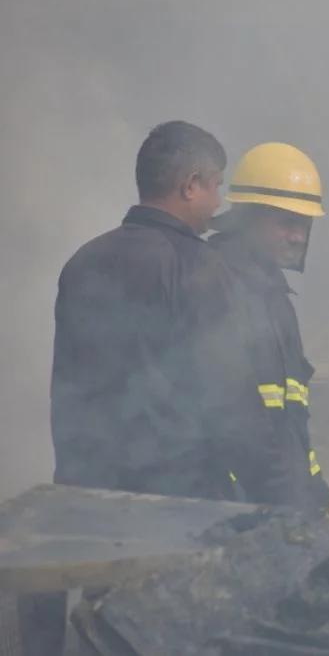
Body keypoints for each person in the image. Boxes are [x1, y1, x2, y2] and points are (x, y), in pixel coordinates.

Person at [39, 121, 274, 655]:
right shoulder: (201, 268)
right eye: (215, 185)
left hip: (86, 492)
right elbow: (229, 397)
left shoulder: (84, 260)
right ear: (190, 184)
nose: (218, 202)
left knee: (99, 628)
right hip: (175, 510)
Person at [207, 142, 329, 511]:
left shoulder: (276, 299)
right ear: (247, 217)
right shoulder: (212, 284)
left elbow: (292, 427)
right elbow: (229, 421)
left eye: (305, 224)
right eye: (287, 222)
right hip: (227, 508)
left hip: (274, 507)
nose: (298, 236)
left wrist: (318, 499)